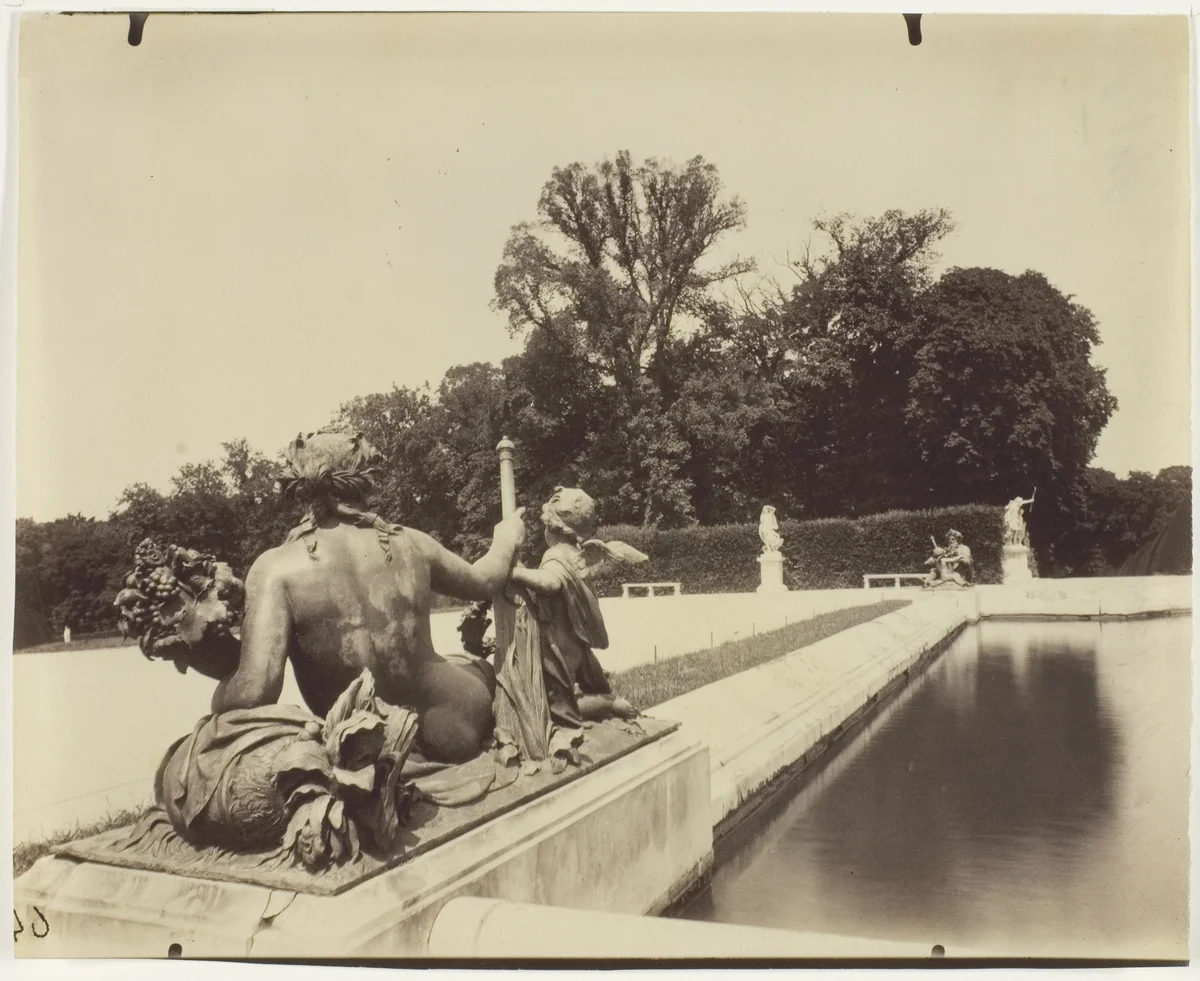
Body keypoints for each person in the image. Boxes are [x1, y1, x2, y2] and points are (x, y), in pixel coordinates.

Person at [210, 426, 527, 764]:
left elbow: (254, 691)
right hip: (453, 725)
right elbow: (484, 580)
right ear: (364, 479)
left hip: (363, 742)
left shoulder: (274, 569)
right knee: (475, 667)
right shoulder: (411, 543)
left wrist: (212, 673)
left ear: (300, 484)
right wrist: (505, 539)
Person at [495, 487, 642, 765]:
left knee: (558, 711)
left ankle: (606, 706)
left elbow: (550, 582)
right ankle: (607, 700)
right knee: (576, 695)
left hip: (557, 647)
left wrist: (513, 572)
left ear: (552, 529)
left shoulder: (556, 554)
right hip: (575, 642)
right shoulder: (576, 553)